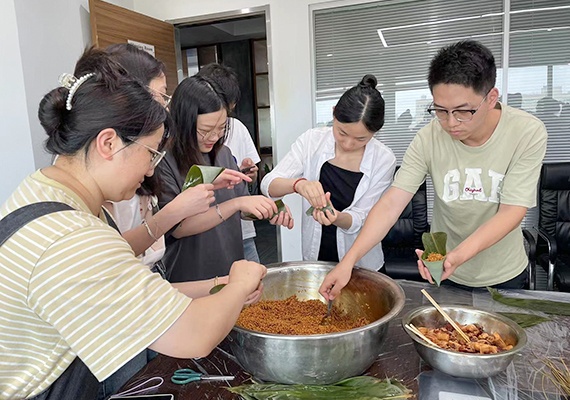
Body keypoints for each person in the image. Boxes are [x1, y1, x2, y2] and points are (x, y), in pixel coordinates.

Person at [0, 48, 266, 400]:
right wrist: (241, 282)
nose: (151, 169)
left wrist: (220, 284)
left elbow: (121, 264)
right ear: (108, 143)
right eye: (151, 152)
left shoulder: (50, 191)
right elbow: (194, 334)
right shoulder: (72, 239)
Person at [320, 40, 547, 300]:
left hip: (504, 273)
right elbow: (392, 203)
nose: (450, 123)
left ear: (491, 98)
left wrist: (458, 255)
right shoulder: (428, 137)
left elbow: (512, 211)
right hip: (445, 272)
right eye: (440, 110)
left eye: (463, 111)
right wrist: (348, 262)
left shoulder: (526, 132)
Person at [157, 75, 293, 283]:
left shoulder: (224, 154)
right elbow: (178, 229)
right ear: (183, 122)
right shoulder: (164, 161)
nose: (214, 137)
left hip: (230, 269)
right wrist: (236, 203)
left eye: (221, 128)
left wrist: (267, 208)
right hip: (191, 277)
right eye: (205, 131)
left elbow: (243, 210)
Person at [260, 74, 396, 271]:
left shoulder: (384, 159)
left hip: (362, 263)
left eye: (361, 139)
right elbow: (269, 183)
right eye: (342, 132)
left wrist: (337, 218)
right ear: (333, 114)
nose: (348, 144)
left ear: (375, 132)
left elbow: (364, 218)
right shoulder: (312, 141)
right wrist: (298, 185)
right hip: (316, 257)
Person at [198, 63, 263, 263]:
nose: (215, 136)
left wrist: (248, 175)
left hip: (240, 233)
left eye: (221, 128)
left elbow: (248, 185)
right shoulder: (178, 151)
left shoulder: (235, 132)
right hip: (204, 239)